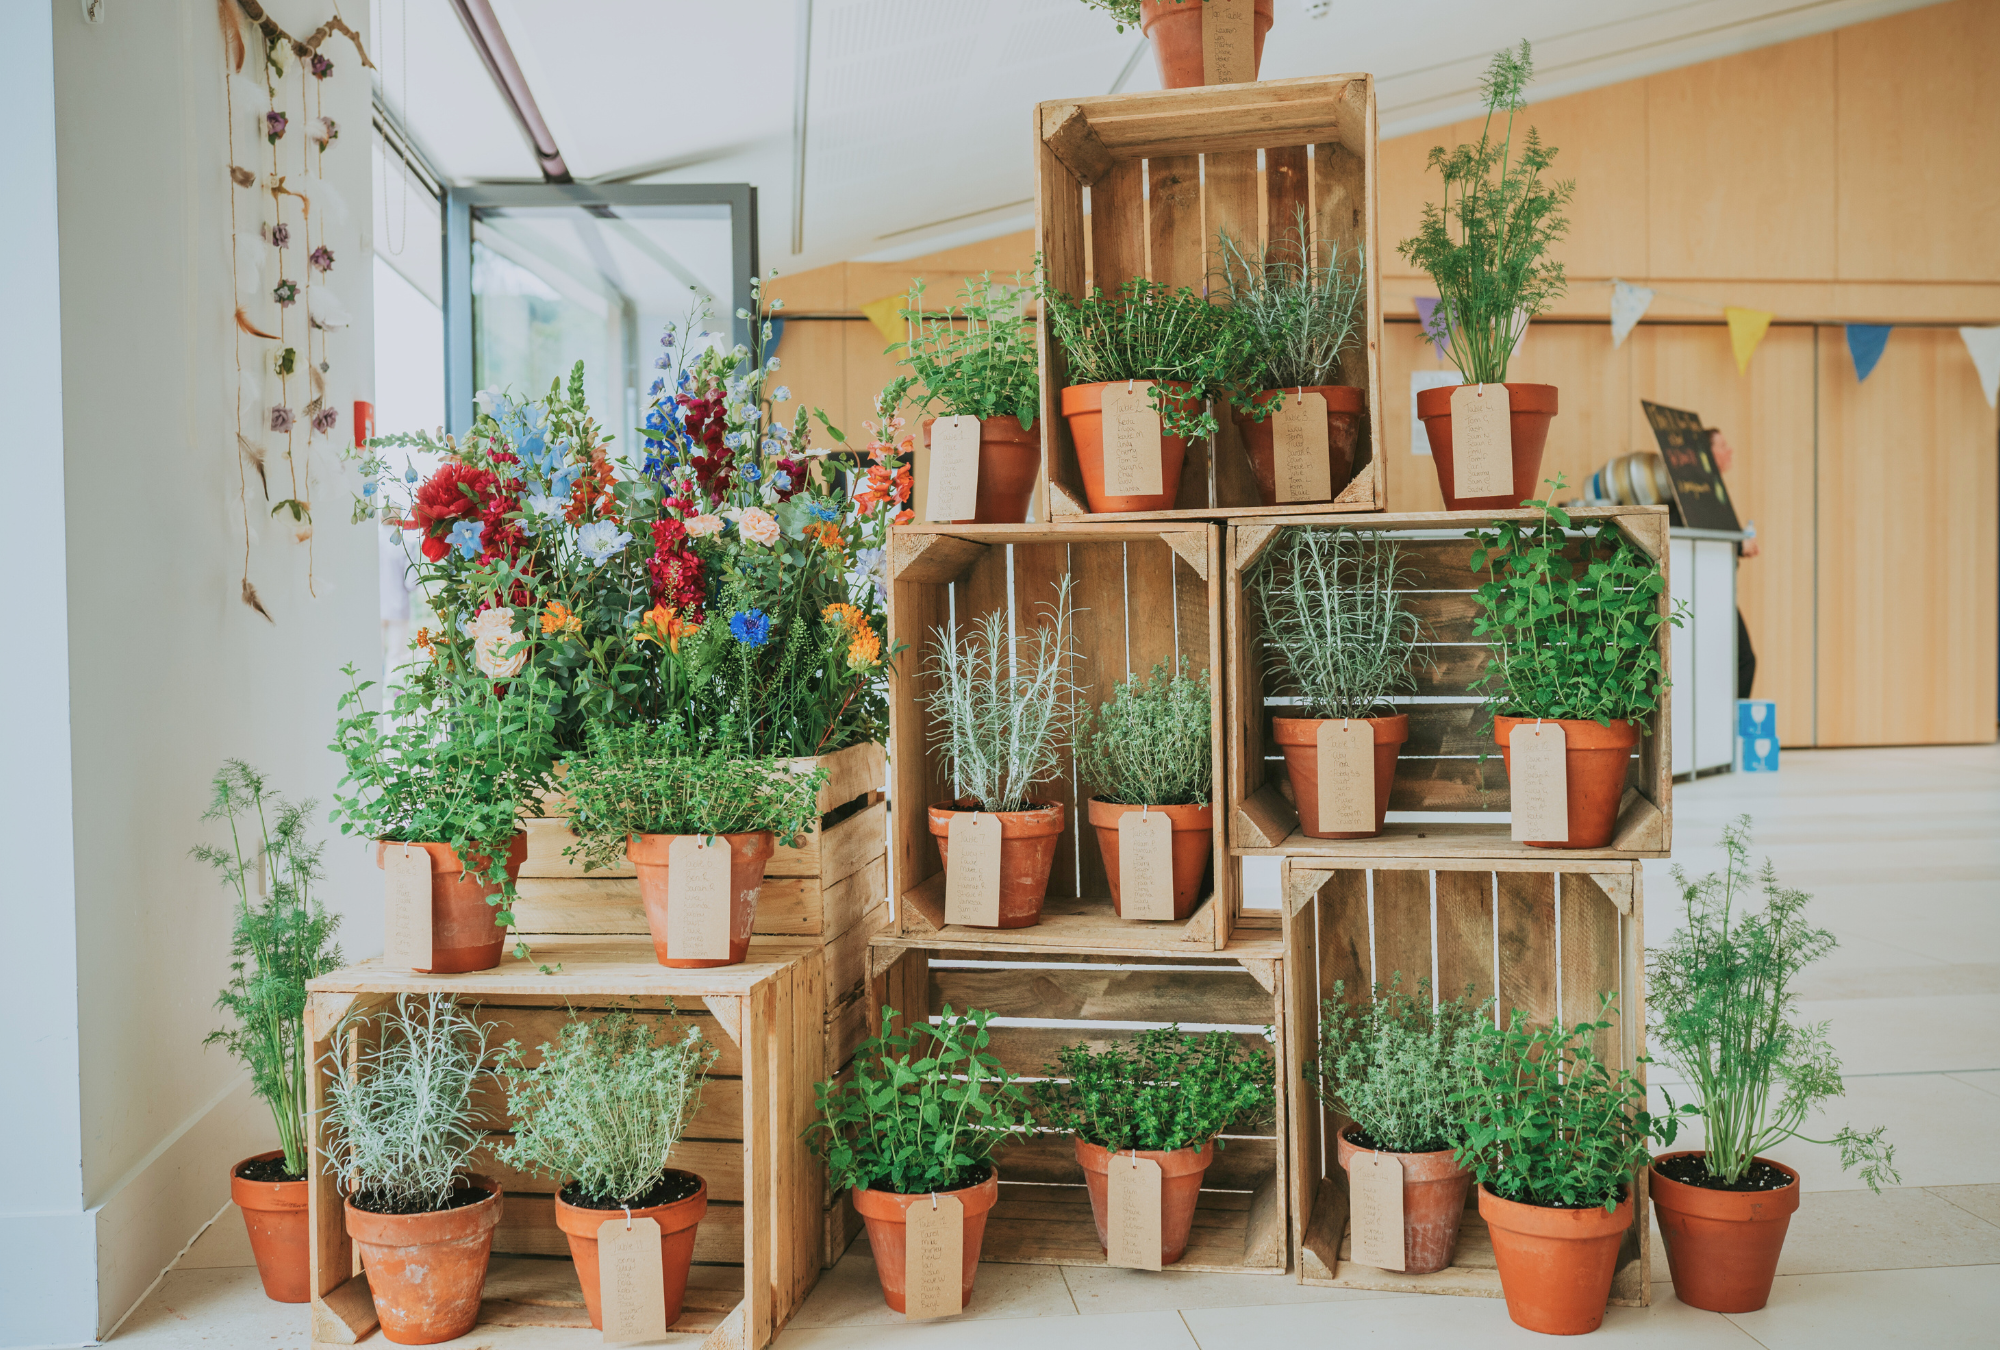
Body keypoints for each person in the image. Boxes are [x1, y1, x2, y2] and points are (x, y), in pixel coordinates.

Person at [1706, 429, 1758, 699]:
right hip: (1711, 592)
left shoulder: (1712, 491)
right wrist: (1740, 544)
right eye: (1722, 445)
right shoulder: (1702, 492)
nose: (1730, 451)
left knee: (1738, 660)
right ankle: (1732, 727)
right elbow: (1704, 533)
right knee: (1743, 660)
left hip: (1717, 589)